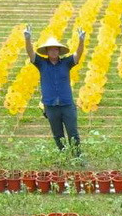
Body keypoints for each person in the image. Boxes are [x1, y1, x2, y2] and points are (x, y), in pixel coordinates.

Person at [24, 24, 86, 154]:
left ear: (59, 51)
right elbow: (30, 53)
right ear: (47, 52)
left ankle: (77, 156)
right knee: (57, 134)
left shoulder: (66, 63)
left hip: (67, 104)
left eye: (56, 49)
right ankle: (63, 155)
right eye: (50, 49)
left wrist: (81, 41)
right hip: (50, 106)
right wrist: (27, 39)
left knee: (73, 132)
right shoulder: (41, 63)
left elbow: (78, 54)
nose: (53, 51)